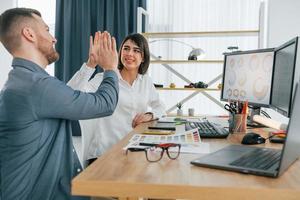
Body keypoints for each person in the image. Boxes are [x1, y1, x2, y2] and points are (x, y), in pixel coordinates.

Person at [0, 8, 119, 200]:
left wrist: (91, 64)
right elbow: (105, 103)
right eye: (47, 30)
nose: (53, 38)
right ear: (29, 34)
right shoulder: (36, 86)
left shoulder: (26, 81)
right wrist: (111, 67)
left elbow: (67, 96)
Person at [68, 33, 166, 165]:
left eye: (136, 50)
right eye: (126, 48)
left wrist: (150, 114)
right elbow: (71, 93)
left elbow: (160, 107)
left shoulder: (146, 82)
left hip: (134, 150)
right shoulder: (105, 78)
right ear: (119, 53)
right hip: (104, 154)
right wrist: (91, 64)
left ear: (143, 58)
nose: (129, 54)